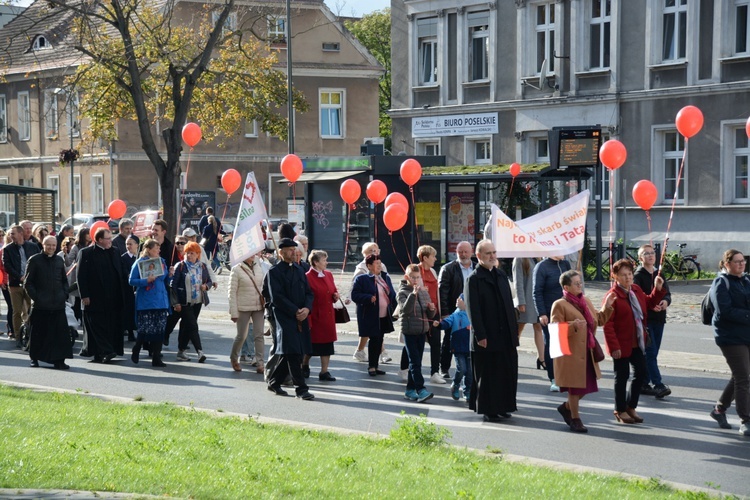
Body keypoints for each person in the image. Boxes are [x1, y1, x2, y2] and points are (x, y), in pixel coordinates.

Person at [550, 270, 615, 433]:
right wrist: (572, 327)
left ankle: (566, 408)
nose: (580, 286)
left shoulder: (585, 300)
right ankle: (575, 419)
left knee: (586, 387)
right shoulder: (559, 304)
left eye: (581, 283)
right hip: (570, 355)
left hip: (587, 352)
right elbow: (554, 329)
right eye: (576, 284)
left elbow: (597, 320)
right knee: (575, 388)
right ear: (566, 287)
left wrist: (607, 307)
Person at [604, 259, 665, 424]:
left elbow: (650, 303)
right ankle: (620, 409)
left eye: (630, 274)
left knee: (641, 373)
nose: (628, 277)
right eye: (623, 275)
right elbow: (607, 325)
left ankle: (631, 406)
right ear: (615, 276)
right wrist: (613, 347)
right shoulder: (613, 295)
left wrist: (657, 289)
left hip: (638, 341)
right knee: (621, 377)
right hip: (621, 344)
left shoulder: (636, 290)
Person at [465, 239, 518, 423]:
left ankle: (505, 406)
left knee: (506, 371)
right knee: (489, 374)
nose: (492, 256)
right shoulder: (474, 279)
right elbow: (474, 309)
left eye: (494, 252)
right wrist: (481, 335)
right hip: (487, 335)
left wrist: (514, 331)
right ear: (479, 256)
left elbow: (509, 305)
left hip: (505, 334)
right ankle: (489, 408)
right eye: (488, 253)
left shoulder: (501, 275)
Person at [265, 238, 315, 400]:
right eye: (290, 249)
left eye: (295, 249)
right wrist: (295, 311)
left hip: (302, 315)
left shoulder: (300, 270)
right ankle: (301, 389)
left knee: (292, 352)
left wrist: (307, 308)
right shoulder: (274, 272)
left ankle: (274, 381)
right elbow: (276, 297)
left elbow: (309, 293)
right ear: (281, 252)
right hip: (285, 317)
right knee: (293, 352)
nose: (294, 252)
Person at [708, 249, 750, 436]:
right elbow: (724, 311)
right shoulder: (721, 282)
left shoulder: (746, 281)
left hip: (746, 334)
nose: (741, 264)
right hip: (729, 337)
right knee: (743, 378)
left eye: (743, 261)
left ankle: (719, 409)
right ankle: (746, 420)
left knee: (740, 375)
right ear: (727, 264)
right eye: (737, 261)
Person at [78, 228, 125, 363]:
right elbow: (81, 276)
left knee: (111, 325)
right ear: (99, 240)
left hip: (113, 297)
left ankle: (106, 351)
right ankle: (106, 351)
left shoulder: (115, 251)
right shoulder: (86, 253)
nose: (111, 241)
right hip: (94, 297)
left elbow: (121, 270)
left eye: (111, 238)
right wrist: (84, 295)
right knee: (97, 326)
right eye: (108, 238)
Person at [25, 235, 72, 369]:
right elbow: (28, 283)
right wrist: (37, 298)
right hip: (41, 305)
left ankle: (59, 360)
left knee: (59, 335)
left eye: (53, 245)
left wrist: (64, 294)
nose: (51, 247)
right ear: (43, 245)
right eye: (48, 245)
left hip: (58, 304)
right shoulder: (34, 260)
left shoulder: (58, 260)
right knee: (38, 334)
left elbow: (64, 280)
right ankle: (34, 358)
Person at [633, 244, 673, 399]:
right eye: (646, 253)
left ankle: (643, 382)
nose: (650, 255)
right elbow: (639, 298)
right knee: (650, 352)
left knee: (653, 353)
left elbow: (667, 293)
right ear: (640, 257)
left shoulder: (659, 273)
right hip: (646, 318)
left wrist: (665, 302)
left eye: (652, 253)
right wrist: (652, 305)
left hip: (659, 319)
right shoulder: (638, 275)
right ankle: (658, 384)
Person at [351, 253, 397, 377]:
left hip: (384, 314)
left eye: (380, 263)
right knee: (374, 340)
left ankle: (375, 366)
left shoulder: (385, 277)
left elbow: (392, 293)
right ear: (369, 266)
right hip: (370, 315)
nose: (379, 266)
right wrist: (368, 298)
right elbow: (354, 295)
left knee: (380, 339)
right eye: (376, 264)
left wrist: (395, 307)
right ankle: (372, 366)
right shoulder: (362, 279)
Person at [129, 239, 171, 367]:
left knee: (160, 330)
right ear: (148, 250)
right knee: (144, 329)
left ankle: (156, 357)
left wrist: (171, 274)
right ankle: (137, 348)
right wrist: (146, 280)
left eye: (159, 249)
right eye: (156, 249)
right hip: (146, 301)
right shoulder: (140, 262)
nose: (158, 251)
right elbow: (131, 280)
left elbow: (164, 279)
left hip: (160, 301)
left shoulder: (161, 261)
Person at [398, 264, 436, 403]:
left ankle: (409, 390)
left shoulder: (423, 292)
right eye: (412, 277)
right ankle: (421, 389)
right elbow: (405, 310)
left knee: (417, 361)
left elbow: (430, 313)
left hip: (422, 331)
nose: (415, 280)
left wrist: (432, 309)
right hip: (409, 332)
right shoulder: (402, 292)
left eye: (417, 277)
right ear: (406, 277)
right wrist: (413, 295)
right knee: (414, 362)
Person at [533, 255, 572, 392]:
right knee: (552, 345)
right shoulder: (541, 267)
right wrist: (542, 313)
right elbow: (537, 292)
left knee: (565, 345)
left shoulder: (565, 264)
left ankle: (565, 377)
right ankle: (554, 378)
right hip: (550, 313)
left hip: (567, 312)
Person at [437, 241, 475, 379]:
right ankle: (444, 367)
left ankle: (471, 368)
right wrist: (445, 313)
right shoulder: (448, 268)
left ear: (472, 252)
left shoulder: (476, 268)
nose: (463, 254)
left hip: (472, 311)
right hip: (454, 312)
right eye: (460, 252)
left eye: (466, 251)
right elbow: (443, 292)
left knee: (471, 339)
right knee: (449, 339)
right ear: (456, 253)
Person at [170, 242, 212, 363]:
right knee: (193, 326)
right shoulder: (181, 266)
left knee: (187, 327)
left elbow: (208, 281)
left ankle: (181, 351)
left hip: (198, 301)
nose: (189, 256)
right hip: (184, 302)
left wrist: (206, 286)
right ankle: (200, 352)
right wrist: (176, 302)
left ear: (198, 254)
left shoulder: (202, 266)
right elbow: (173, 285)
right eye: (187, 253)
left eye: (192, 253)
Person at [303, 250, 339, 382]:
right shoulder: (307, 277)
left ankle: (324, 371)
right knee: (311, 346)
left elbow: (333, 290)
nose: (326, 262)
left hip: (327, 315)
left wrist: (335, 296)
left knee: (327, 346)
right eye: (324, 260)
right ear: (316, 262)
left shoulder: (328, 275)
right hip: (315, 315)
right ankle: (305, 364)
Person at [228, 253, 266, 373]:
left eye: (254, 253)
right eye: (249, 253)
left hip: (258, 306)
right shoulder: (236, 269)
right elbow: (232, 292)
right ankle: (234, 358)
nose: (252, 255)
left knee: (259, 335)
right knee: (241, 336)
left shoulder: (258, 266)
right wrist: (234, 312)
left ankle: (260, 363)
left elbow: (263, 286)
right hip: (243, 307)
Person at [2, 224, 40, 348]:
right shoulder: (7, 249)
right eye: (10, 234)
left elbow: (38, 262)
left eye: (13, 233)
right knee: (16, 311)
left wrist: (30, 277)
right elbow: (7, 266)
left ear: (20, 234)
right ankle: (18, 336)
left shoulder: (33, 247)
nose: (10, 236)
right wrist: (19, 277)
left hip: (30, 284)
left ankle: (30, 334)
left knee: (31, 310)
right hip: (15, 285)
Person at [436, 293, 472, 403]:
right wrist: (440, 324)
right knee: (462, 369)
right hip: (458, 347)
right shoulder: (455, 315)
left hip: (470, 347)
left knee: (469, 372)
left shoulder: (472, 315)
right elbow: (447, 322)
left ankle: (467, 391)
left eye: (460, 298)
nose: (457, 299)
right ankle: (455, 385)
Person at [417, 245, 444, 385]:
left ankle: (434, 372)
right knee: (416, 344)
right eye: (433, 256)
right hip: (421, 314)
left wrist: (438, 310)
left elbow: (437, 293)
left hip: (434, 313)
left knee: (436, 344)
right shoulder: (415, 270)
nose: (435, 258)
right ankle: (406, 368)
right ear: (425, 258)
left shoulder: (433, 271)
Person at [513, 257, 545, 370]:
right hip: (526, 300)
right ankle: (511, 356)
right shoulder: (520, 259)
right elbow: (518, 281)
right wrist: (520, 301)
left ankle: (542, 358)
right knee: (518, 328)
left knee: (538, 327)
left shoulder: (538, 258)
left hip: (537, 300)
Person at [120, 235, 140, 342]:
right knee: (129, 310)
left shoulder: (140, 257)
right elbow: (124, 272)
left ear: (137, 245)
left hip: (140, 287)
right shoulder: (123, 258)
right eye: (127, 243)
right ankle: (130, 332)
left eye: (131, 243)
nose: (129, 246)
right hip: (128, 288)